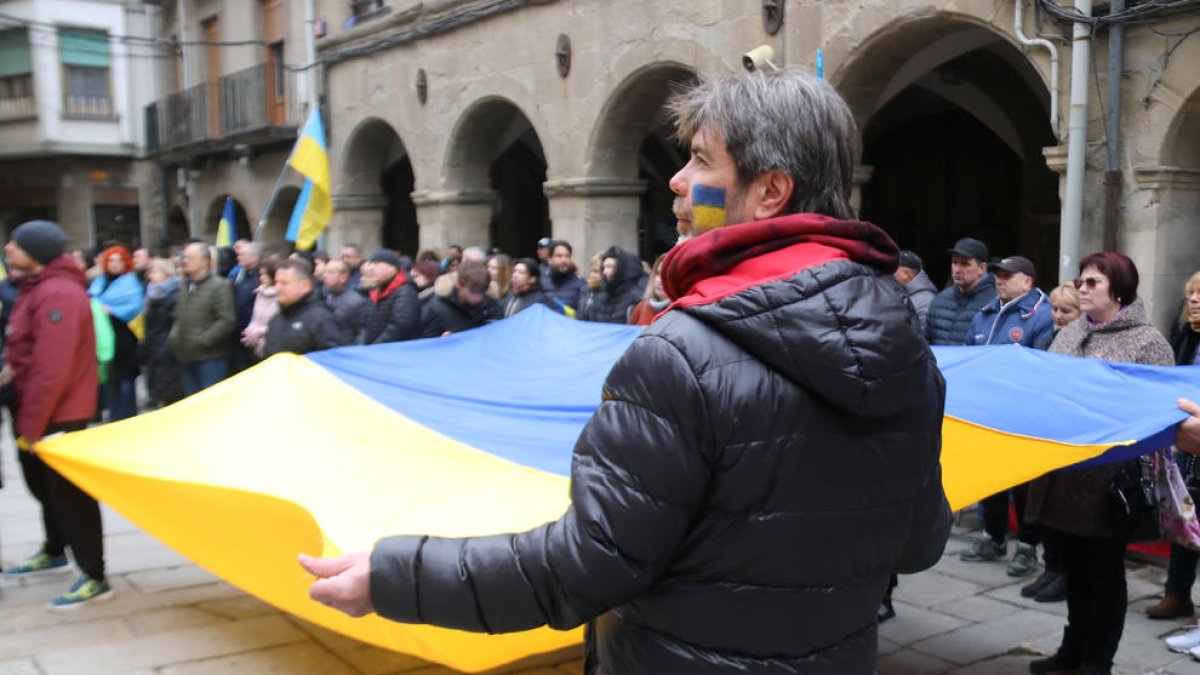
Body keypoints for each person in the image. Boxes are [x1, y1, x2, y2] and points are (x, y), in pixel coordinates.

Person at [300, 70, 950, 674]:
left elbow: (584, 566)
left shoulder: (681, 353)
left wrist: (393, 574)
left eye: (700, 159)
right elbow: (920, 542)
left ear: (770, 191)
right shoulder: (904, 344)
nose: (675, 180)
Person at [1025, 252, 1174, 675]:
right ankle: (1072, 650)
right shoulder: (1071, 333)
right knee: (1071, 569)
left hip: (1109, 482)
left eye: (1092, 283)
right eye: (1082, 281)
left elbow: (1159, 414)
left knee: (1104, 575)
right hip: (1063, 475)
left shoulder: (1148, 342)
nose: (1082, 289)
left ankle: (1097, 661)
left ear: (1119, 289)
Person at [2, 220, 111, 609]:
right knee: (43, 488)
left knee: (69, 495)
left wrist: (33, 426)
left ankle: (93, 574)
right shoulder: (37, 288)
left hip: (57, 414)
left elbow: (53, 368)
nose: (9, 248)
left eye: (17, 244)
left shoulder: (59, 293)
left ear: (36, 252)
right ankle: (54, 549)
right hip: (33, 409)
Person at [959, 255, 1054, 576]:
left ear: (1027, 282)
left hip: (1022, 418)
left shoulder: (1040, 316)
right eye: (998, 274)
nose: (999, 280)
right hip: (987, 412)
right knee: (991, 480)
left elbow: (1042, 369)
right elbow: (968, 354)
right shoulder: (987, 312)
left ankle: (1027, 547)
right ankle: (993, 537)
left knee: (1026, 486)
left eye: (1007, 275)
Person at [1020, 281, 1082, 603]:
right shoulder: (1048, 338)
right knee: (1043, 506)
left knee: (1063, 509)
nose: (1057, 315)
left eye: (1066, 311)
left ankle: (1065, 574)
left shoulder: (1079, 343)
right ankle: (1051, 567)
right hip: (1045, 428)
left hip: (1068, 434)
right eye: (1055, 309)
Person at [1152, 271, 1200, 628]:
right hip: (1187, 441)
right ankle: (1177, 594)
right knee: (1187, 514)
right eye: (1191, 294)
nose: (1194, 300)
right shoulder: (1184, 334)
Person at [169, 243, 235, 395]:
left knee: (210, 403)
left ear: (205, 261)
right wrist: (174, 337)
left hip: (210, 357)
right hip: (186, 354)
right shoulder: (187, 285)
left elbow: (227, 320)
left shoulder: (219, 286)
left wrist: (202, 340)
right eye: (184, 257)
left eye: (190, 258)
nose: (185, 261)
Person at [88, 245, 144, 422]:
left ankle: (127, 414)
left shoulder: (131, 282)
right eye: (111, 260)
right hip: (103, 336)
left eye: (119, 260)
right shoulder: (99, 282)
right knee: (108, 377)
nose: (115, 264)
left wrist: (110, 309)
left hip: (124, 336)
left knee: (125, 377)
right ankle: (113, 413)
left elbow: (134, 305)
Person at [925, 237, 996, 345]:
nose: (957, 270)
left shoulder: (994, 303)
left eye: (965, 264)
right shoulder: (940, 300)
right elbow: (925, 342)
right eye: (954, 262)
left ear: (982, 268)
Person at [262, 259, 338, 357]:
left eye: (284, 283)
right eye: (276, 282)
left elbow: (331, 359)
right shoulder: (276, 319)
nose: (277, 288)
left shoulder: (321, 319)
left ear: (305, 286)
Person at [138, 257, 183, 408]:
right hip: (154, 348)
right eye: (150, 272)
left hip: (167, 349)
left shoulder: (174, 293)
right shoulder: (151, 294)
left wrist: (165, 344)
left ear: (166, 273)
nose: (152, 276)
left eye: (155, 272)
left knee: (172, 393)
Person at [421, 260, 498, 337]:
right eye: (473, 292)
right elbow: (426, 342)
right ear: (459, 285)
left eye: (481, 292)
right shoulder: (436, 308)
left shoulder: (491, 306)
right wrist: (440, 342)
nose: (478, 298)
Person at [359, 250, 420, 345]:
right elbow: (365, 325)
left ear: (392, 267)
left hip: (393, 353)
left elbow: (400, 327)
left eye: (376, 264)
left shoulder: (405, 291)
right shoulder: (376, 291)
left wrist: (375, 347)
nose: (371, 268)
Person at [579, 246, 647, 324]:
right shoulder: (599, 296)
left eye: (609, 267)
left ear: (620, 269)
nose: (604, 272)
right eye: (603, 267)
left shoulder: (636, 297)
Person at [321, 259, 369, 347]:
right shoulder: (325, 296)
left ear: (343, 277)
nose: (325, 276)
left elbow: (362, 332)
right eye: (325, 272)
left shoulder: (356, 302)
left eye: (330, 272)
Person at [240, 258, 279, 358]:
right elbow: (255, 317)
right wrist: (250, 331)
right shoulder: (260, 293)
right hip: (255, 345)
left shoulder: (280, 295)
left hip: (272, 346)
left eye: (265, 274)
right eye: (260, 274)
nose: (261, 278)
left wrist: (259, 331)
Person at [894, 250, 936, 331]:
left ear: (906, 273)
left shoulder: (925, 300)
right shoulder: (903, 294)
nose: (892, 274)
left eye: (895, 270)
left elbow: (922, 335)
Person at [542, 240, 587, 314]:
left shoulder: (580, 284)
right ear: (550, 259)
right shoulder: (541, 283)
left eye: (567, 256)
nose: (564, 260)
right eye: (559, 256)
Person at [628, 253, 669, 326]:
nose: (659, 280)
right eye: (657, 273)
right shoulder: (641, 307)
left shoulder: (682, 312)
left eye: (665, 275)